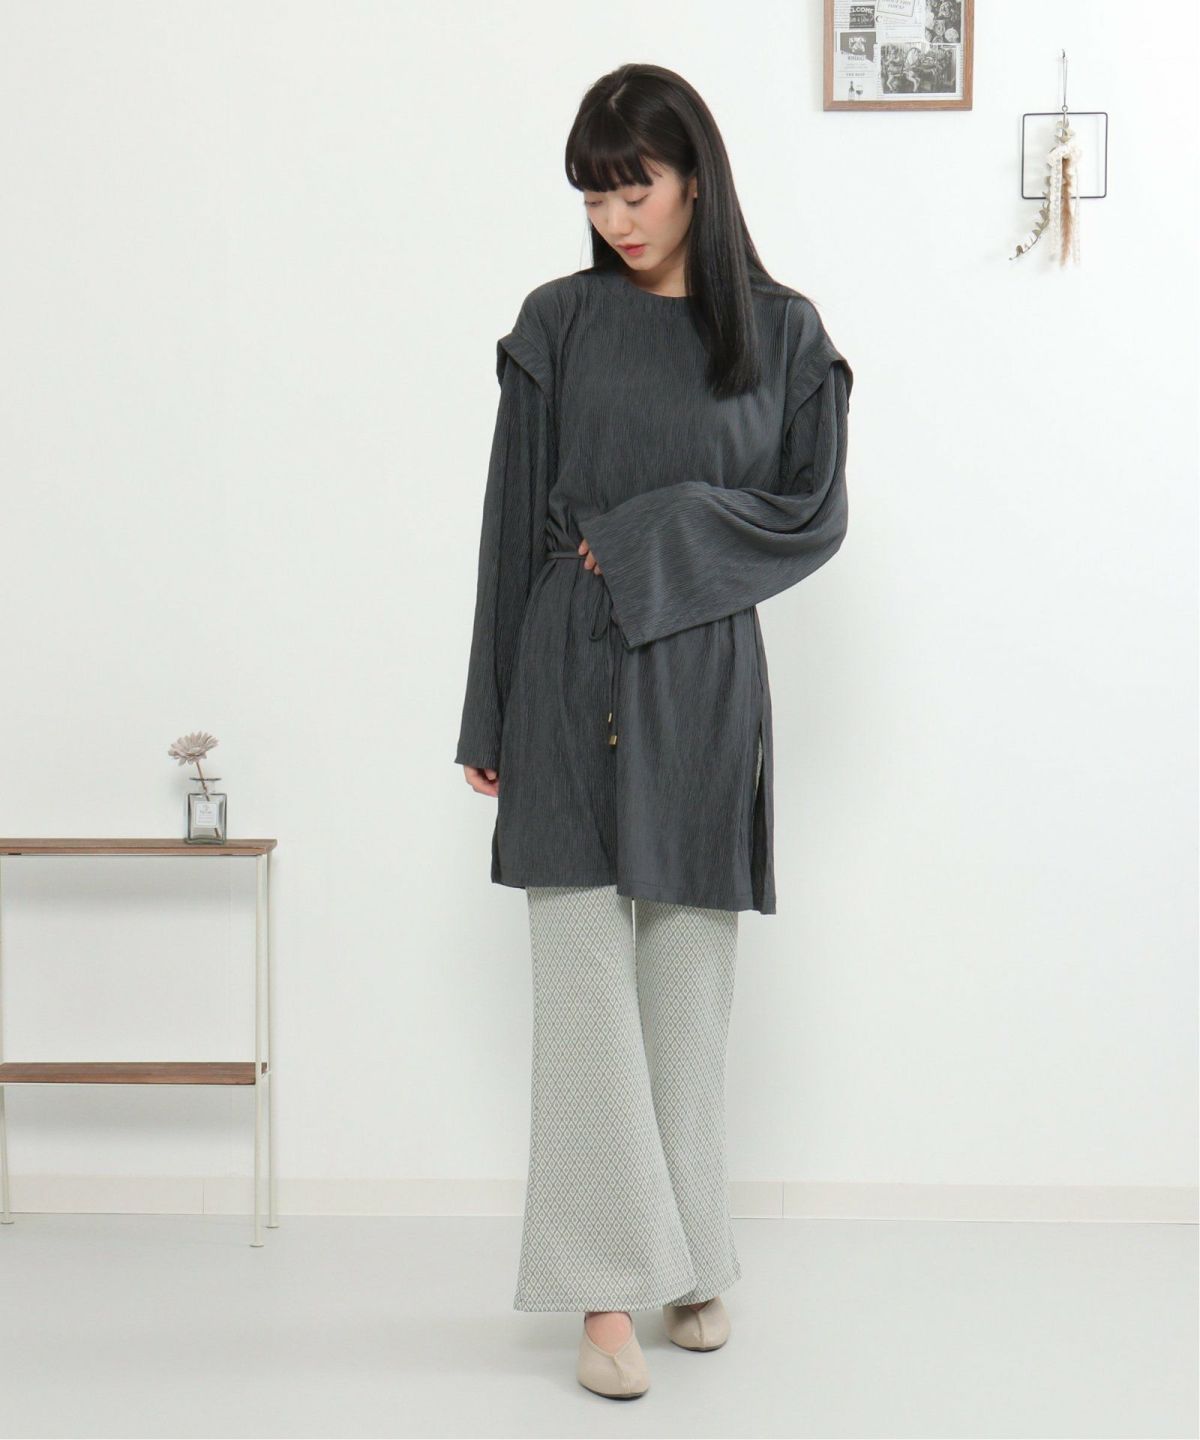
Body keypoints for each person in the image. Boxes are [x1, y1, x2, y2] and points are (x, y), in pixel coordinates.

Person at [455, 62, 853, 1400]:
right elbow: (510, 521)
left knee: (687, 987)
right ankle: (602, 1293)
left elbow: (811, 515)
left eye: (637, 188)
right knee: (583, 991)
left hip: (703, 679)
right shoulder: (557, 322)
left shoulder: (783, 334)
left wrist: (652, 534)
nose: (615, 217)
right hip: (563, 666)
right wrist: (487, 709)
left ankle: (689, 1255)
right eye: (594, 194)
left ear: (697, 180)